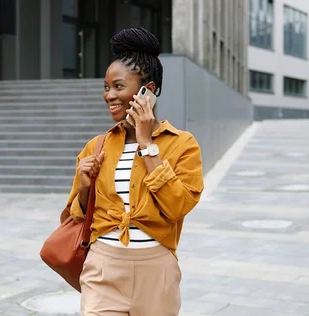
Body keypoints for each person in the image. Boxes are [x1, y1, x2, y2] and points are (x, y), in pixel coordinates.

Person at [64, 27, 204, 315]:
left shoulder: (183, 145)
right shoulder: (96, 146)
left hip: (156, 273)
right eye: (106, 87)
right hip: (103, 269)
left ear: (147, 91)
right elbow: (76, 215)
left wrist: (146, 144)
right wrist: (84, 186)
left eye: (118, 86)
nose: (109, 96)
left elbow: (177, 207)